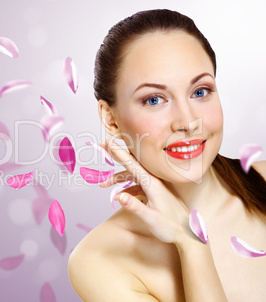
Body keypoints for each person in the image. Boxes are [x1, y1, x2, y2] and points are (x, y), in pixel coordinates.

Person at [68, 9, 266, 301]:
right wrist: (191, 242)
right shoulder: (99, 260)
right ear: (110, 119)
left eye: (200, 91)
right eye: (154, 99)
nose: (187, 122)